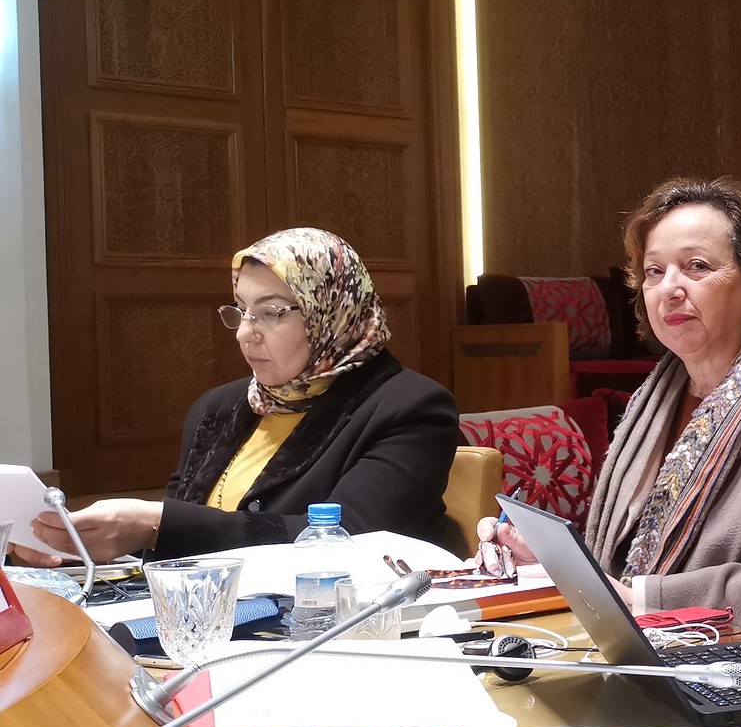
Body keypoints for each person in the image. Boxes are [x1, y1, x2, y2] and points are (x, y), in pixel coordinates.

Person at [479, 176, 741, 664]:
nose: (669, 288)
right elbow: (620, 562)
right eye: (654, 272)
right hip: (659, 653)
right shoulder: (654, 398)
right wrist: (546, 560)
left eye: (696, 266)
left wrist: (646, 601)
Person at [15, 228, 462, 562]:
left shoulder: (409, 407)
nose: (246, 334)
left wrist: (154, 524)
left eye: (270, 313)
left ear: (332, 313)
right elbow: (172, 548)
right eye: (241, 311)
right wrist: (72, 548)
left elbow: (350, 539)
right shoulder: (221, 407)